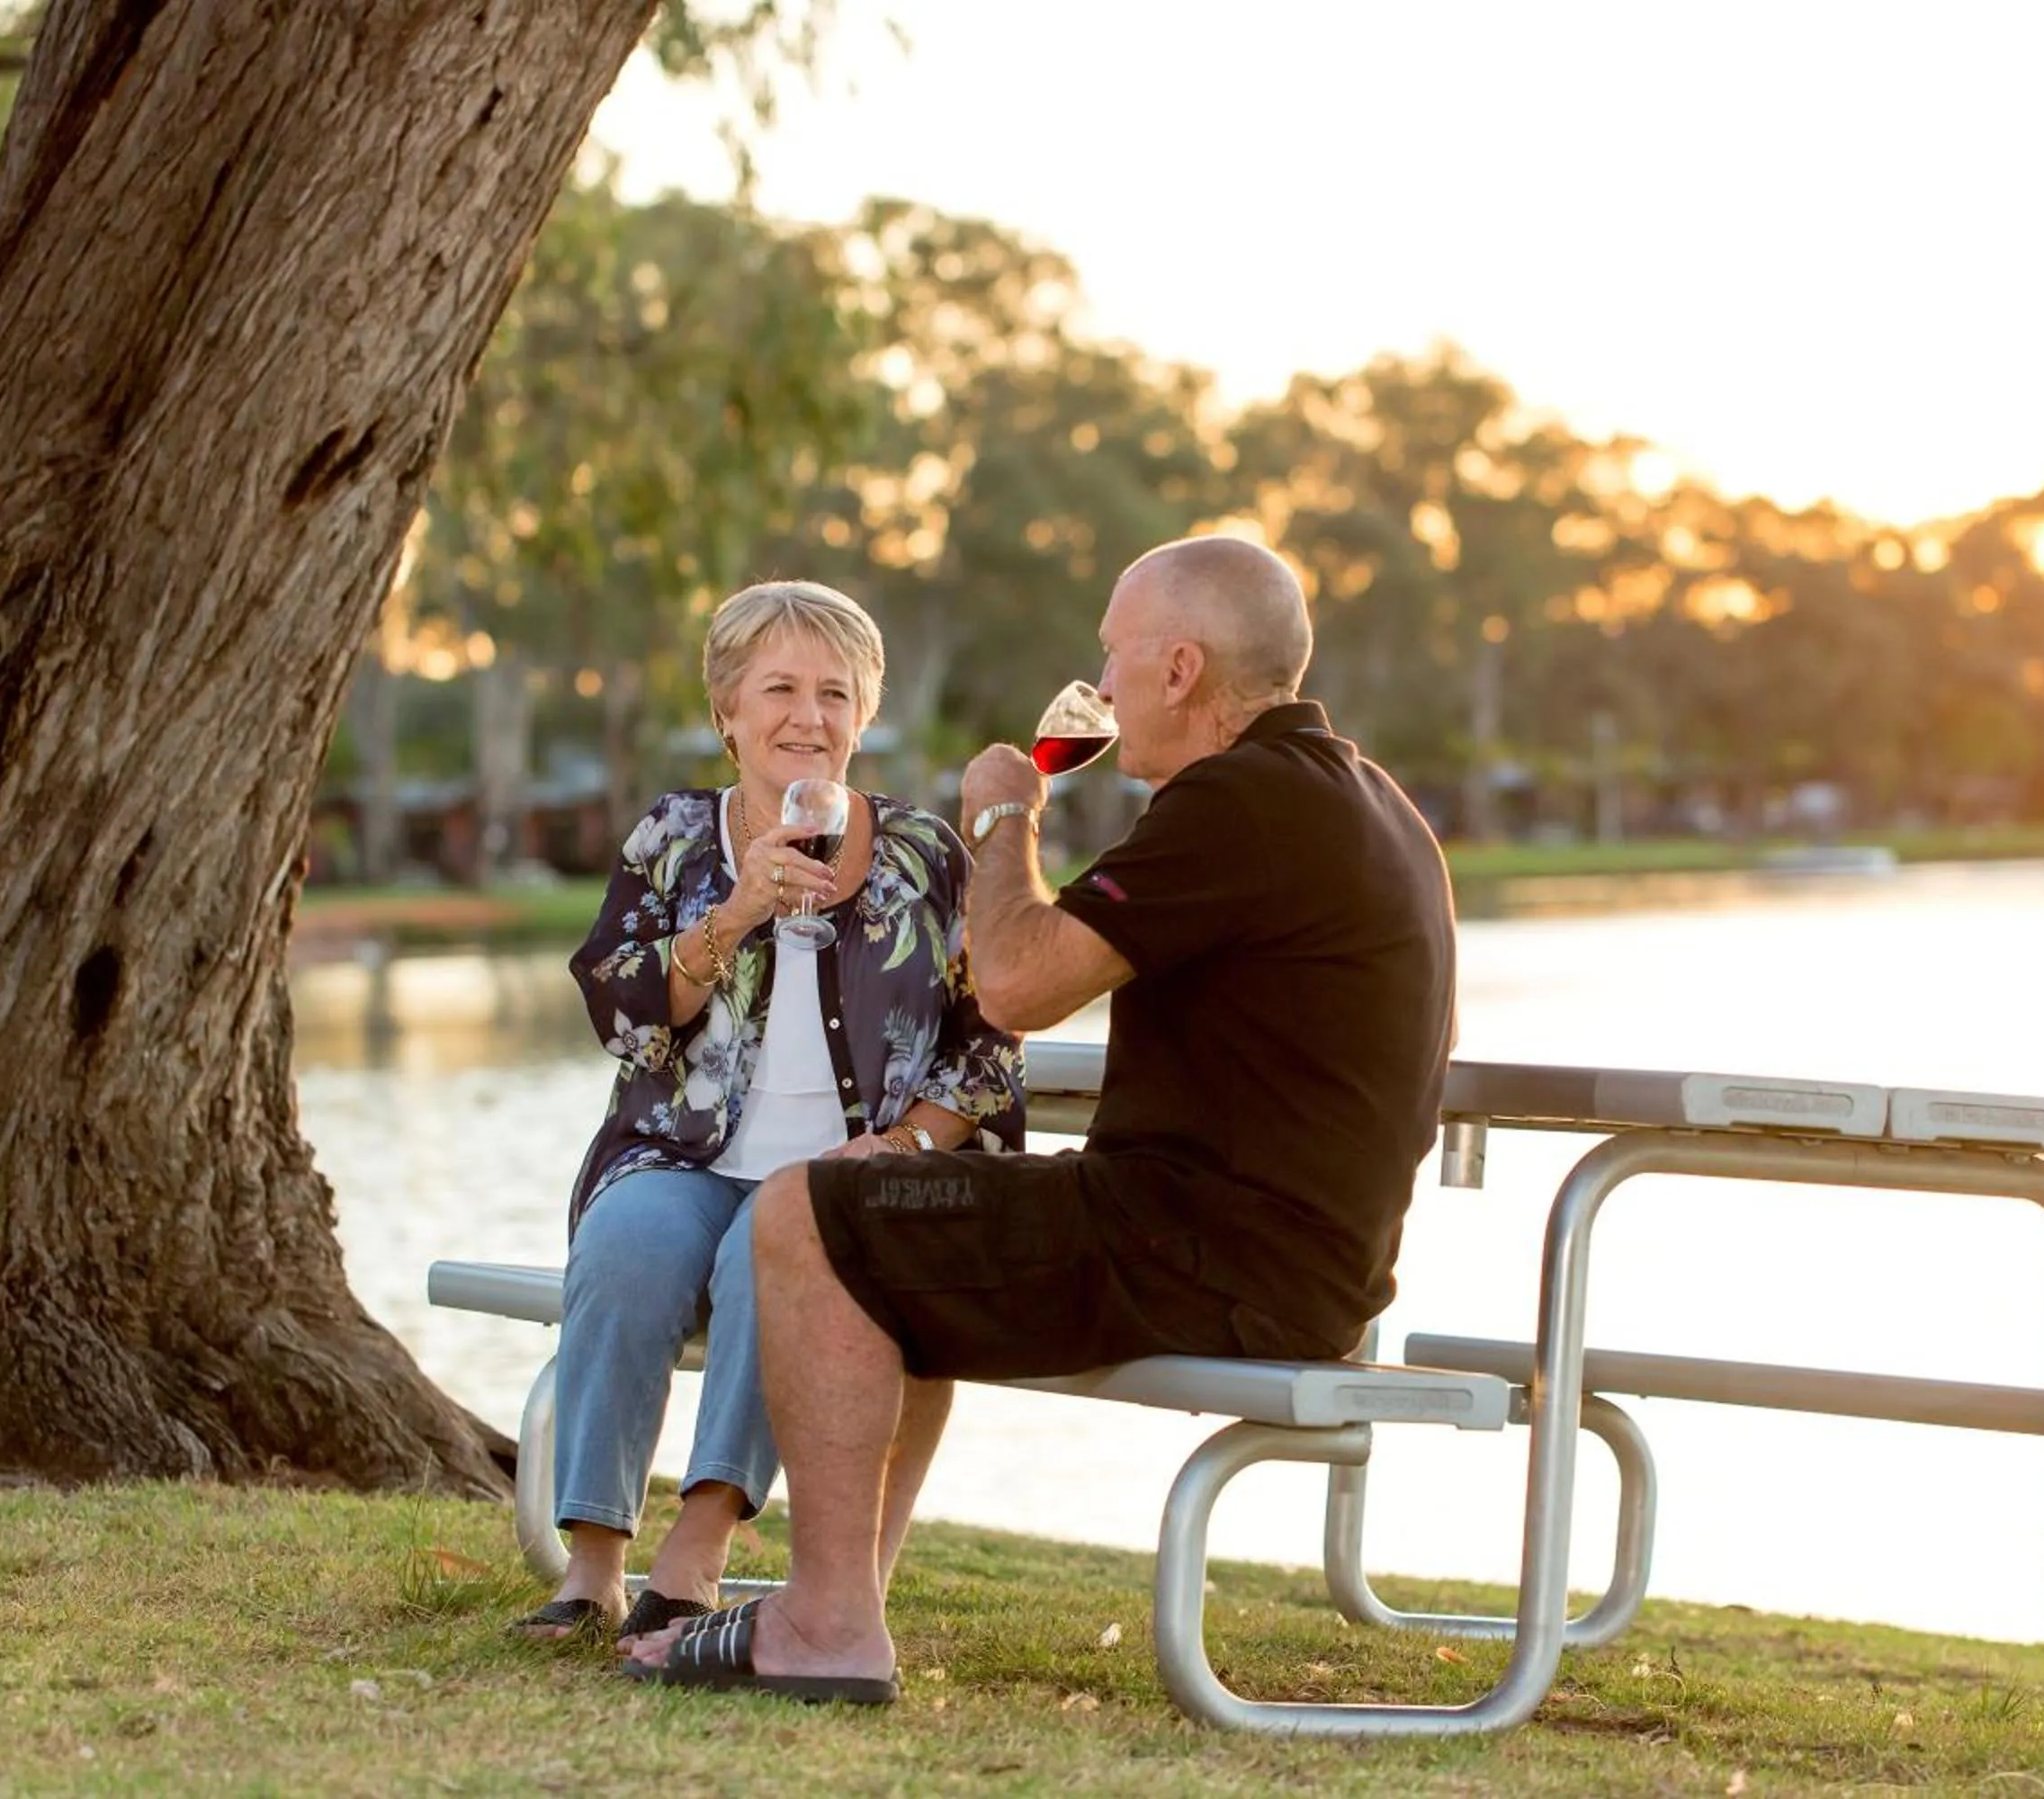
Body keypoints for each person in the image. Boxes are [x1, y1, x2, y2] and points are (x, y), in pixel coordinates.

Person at [627, 534, 1457, 1703]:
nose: (1101, 687)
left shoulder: (1239, 803)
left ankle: (823, 1628)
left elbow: (1014, 986)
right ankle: (839, 1600)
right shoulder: (1358, 798)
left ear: (1179, 670)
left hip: (1202, 1250)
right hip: (1282, 1258)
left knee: (805, 1211)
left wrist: (1005, 814)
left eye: (1113, 657)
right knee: (877, 1223)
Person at [511, 579, 1026, 1642]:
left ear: (864, 715)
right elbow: (622, 1012)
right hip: (676, 1157)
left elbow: (991, 1035)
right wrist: (741, 904)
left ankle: (694, 1557)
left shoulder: (928, 853)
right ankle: (592, 1561)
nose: (809, 715)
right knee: (623, 1245)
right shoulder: (674, 837)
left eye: (835, 691)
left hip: (840, 1180)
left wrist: (911, 1140)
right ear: (728, 713)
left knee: (774, 1247)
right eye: (780, 687)